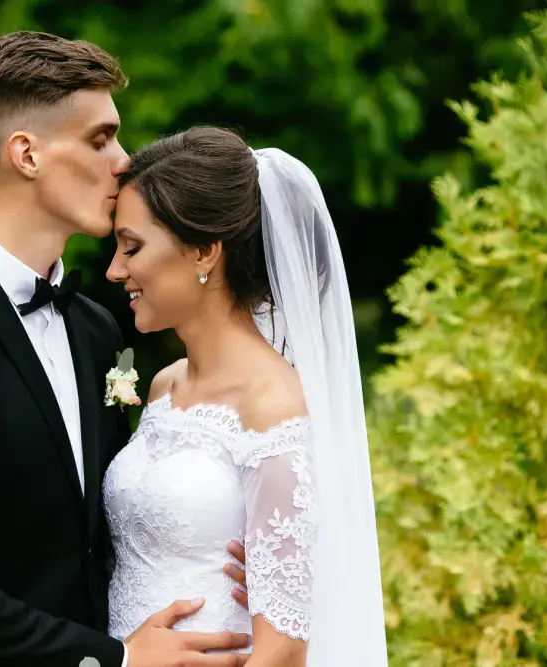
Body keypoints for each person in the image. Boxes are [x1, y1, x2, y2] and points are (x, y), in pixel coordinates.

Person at [0, 33, 251, 667]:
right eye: (100, 139)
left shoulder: (96, 330)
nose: (124, 162)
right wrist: (112, 661)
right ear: (26, 154)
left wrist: (215, 566)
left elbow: (102, 528)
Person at [105, 126, 388, 666]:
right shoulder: (163, 386)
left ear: (204, 252)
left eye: (132, 247)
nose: (115, 270)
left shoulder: (271, 403)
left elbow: (284, 651)